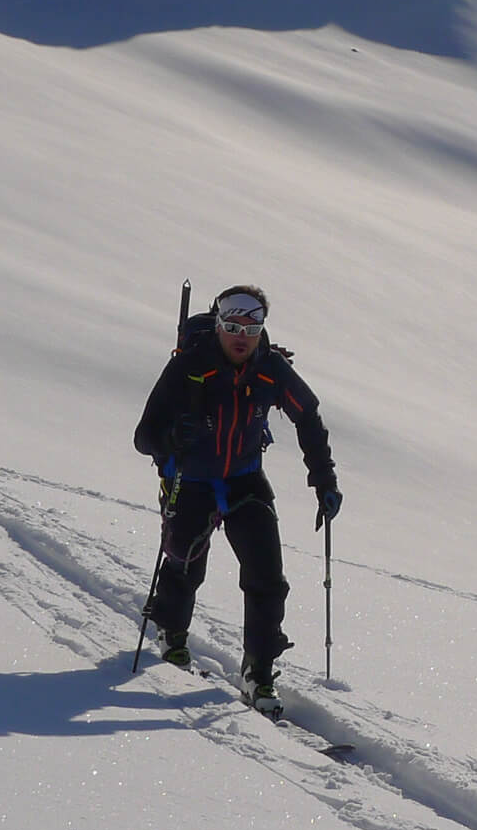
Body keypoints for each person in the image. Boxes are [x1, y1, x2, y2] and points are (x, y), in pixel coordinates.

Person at [132, 284, 340, 715]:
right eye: (231, 326)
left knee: (267, 577)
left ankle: (258, 673)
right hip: (189, 480)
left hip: (245, 480)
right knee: (185, 561)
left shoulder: (271, 368)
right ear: (219, 325)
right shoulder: (189, 366)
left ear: (262, 327)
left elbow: (308, 416)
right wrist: (172, 438)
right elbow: (144, 436)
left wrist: (324, 480)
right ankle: (171, 632)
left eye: (251, 326)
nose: (240, 336)